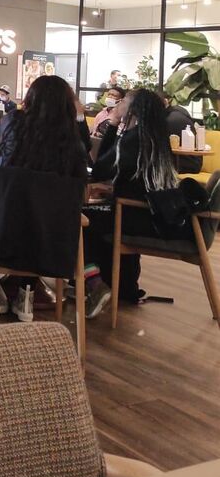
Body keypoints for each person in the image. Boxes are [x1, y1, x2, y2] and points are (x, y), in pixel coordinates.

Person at [0, 75, 88, 322]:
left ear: (31, 97)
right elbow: (80, 172)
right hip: (47, 234)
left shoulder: (12, 120)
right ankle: (27, 293)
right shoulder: (69, 136)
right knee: (40, 209)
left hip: (2, 222)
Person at [85, 88, 179, 317]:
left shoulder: (133, 138)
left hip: (133, 215)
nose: (118, 104)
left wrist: (113, 123)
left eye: (123, 101)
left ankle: (94, 284)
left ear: (134, 109)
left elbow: (100, 170)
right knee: (99, 212)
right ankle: (122, 287)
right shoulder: (155, 138)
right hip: (152, 214)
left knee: (81, 217)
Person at [156, 88, 201, 174]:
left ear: (165, 102)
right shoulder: (177, 112)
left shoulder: (171, 120)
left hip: (187, 163)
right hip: (193, 161)